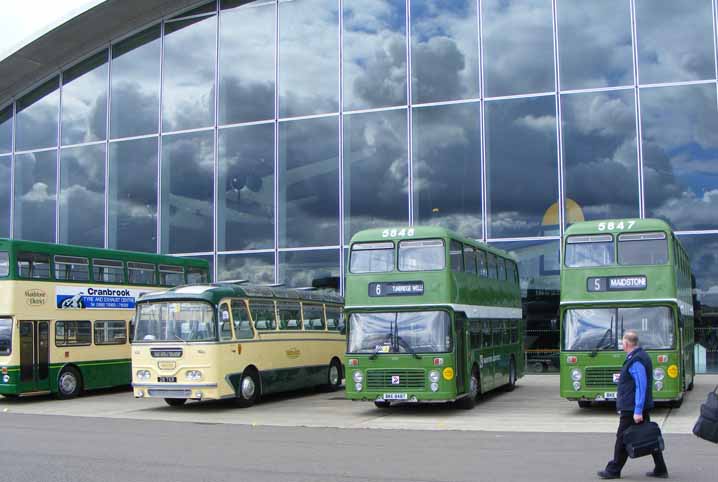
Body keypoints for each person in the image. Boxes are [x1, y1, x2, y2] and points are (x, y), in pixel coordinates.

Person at [597, 330, 668, 479]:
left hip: (632, 408)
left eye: (622, 342)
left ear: (627, 343)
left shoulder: (636, 360)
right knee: (649, 435)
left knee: (622, 438)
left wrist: (637, 410)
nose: (621, 344)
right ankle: (661, 468)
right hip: (636, 406)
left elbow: (641, 386)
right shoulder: (640, 356)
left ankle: (613, 470)